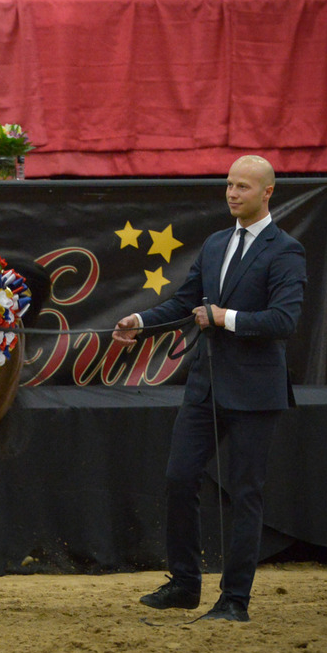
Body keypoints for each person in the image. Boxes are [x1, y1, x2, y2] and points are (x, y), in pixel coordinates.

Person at [112, 155, 307, 622]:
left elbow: (284, 320)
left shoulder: (286, 250)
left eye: (243, 186)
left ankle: (234, 599)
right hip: (205, 386)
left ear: (267, 192)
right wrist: (139, 321)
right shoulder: (217, 242)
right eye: (229, 184)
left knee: (245, 494)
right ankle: (185, 583)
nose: (232, 193)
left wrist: (224, 317)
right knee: (179, 478)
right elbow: (186, 302)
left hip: (255, 392)